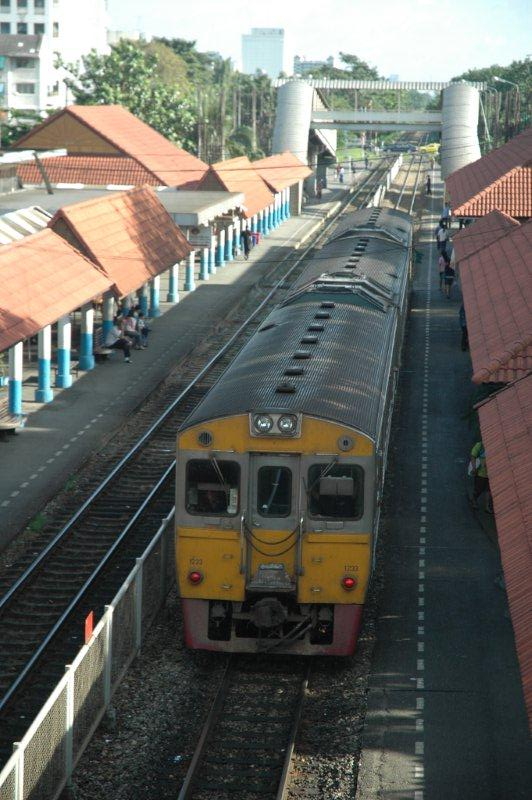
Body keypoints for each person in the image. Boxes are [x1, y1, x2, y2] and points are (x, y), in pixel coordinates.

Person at [469, 442, 492, 512]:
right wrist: (474, 468)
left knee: (488, 490)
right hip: (480, 473)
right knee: (479, 489)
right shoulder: (480, 445)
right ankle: (474, 499)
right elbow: (473, 455)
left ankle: (487, 506)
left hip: (490, 473)